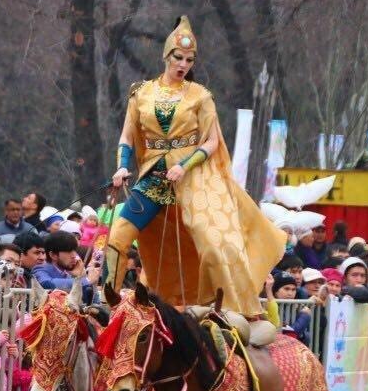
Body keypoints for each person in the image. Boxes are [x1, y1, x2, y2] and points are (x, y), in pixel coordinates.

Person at [105, 16, 285, 315]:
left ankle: (233, 309)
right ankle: (109, 306)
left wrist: (185, 166)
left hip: (194, 177)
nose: (183, 64)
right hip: (153, 177)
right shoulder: (141, 93)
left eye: (189, 59)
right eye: (178, 57)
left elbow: (211, 142)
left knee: (215, 243)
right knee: (117, 237)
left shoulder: (200, 96)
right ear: (166, 55)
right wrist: (123, 166)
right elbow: (127, 136)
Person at [33, 231, 99, 303]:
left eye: (75, 250)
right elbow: (47, 284)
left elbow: (93, 302)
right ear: (53, 255)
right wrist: (86, 280)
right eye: (69, 251)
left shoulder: (69, 273)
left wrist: (82, 276)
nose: (74, 255)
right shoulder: (40, 269)